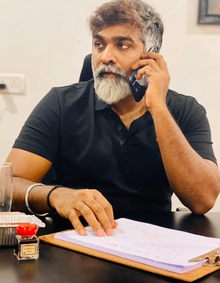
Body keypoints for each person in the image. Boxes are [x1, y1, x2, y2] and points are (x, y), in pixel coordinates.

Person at [6, 0, 220, 237]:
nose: (106, 56)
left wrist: (158, 107)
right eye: (99, 44)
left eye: (122, 45)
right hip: (76, 242)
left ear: (151, 56)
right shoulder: (60, 103)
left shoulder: (185, 110)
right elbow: (7, 186)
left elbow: (203, 201)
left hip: (154, 245)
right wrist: (56, 194)